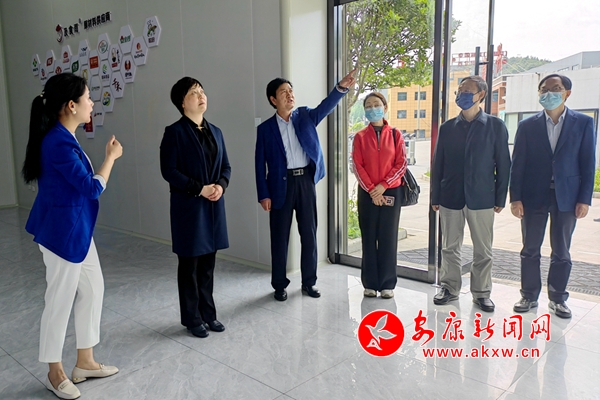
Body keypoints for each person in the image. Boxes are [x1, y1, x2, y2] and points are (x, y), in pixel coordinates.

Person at [23, 73, 122, 400]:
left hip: (77, 230)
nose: (92, 103)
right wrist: (110, 159)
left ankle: (85, 362)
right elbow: (91, 188)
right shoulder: (58, 142)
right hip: (62, 235)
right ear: (71, 105)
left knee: (93, 288)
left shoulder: (64, 137)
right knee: (59, 300)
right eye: (88, 98)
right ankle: (55, 372)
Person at [255, 69, 356, 301]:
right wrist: (263, 194)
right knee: (279, 238)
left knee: (309, 235)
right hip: (279, 186)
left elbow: (326, 106)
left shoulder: (305, 116)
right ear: (273, 99)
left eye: (291, 91)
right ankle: (279, 285)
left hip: (305, 183)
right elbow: (259, 164)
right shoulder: (265, 129)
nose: (290, 95)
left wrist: (341, 88)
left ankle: (309, 282)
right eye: (283, 92)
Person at [510, 74, 596, 319]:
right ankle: (528, 295)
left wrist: (584, 199)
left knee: (561, 250)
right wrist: (515, 198)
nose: (549, 93)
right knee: (530, 249)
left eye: (555, 88)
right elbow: (518, 164)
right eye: (544, 89)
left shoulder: (583, 123)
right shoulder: (527, 125)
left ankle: (558, 299)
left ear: (567, 93)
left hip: (567, 197)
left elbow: (588, 163)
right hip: (533, 195)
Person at [431, 75, 511, 312]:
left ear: (481, 95)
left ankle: (482, 293)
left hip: (482, 198)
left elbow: (504, 165)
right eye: (459, 90)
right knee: (449, 247)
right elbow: (438, 164)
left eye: (467, 91)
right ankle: (449, 287)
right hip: (450, 197)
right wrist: (436, 196)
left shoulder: (495, 127)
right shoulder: (447, 128)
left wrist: (500, 197)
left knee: (483, 250)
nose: (461, 95)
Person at [160, 77, 231, 338]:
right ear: (182, 102)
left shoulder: (216, 132)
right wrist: (199, 188)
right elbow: (169, 171)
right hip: (189, 207)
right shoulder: (174, 132)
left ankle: (209, 314)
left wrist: (220, 186)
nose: (201, 96)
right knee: (189, 265)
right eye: (193, 92)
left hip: (213, 206)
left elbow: (226, 167)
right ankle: (192, 318)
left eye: (202, 91)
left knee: (208, 264)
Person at [352, 92, 407, 299]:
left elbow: (401, 163)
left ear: (385, 107)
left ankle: (387, 284)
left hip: (390, 191)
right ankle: (370, 283)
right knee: (368, 237)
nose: (372, 108)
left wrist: (383, 186)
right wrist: (372, 189)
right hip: (368, 193)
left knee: (388, 237)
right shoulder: (360, 137)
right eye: (368, 105)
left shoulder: (395, 134)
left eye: (376, 104)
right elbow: (357, 165)